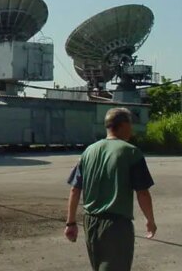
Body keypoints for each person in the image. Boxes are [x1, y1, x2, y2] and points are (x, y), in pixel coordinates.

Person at [64, 107, 157, 271]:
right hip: (116, 225)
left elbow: (75, 189)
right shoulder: (131, 152)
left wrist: (71, 223)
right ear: (123, 125)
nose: (132, 129)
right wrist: (150, 220)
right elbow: (142, 192)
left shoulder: (88, 151)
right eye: (131, 124)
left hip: (90, 222)